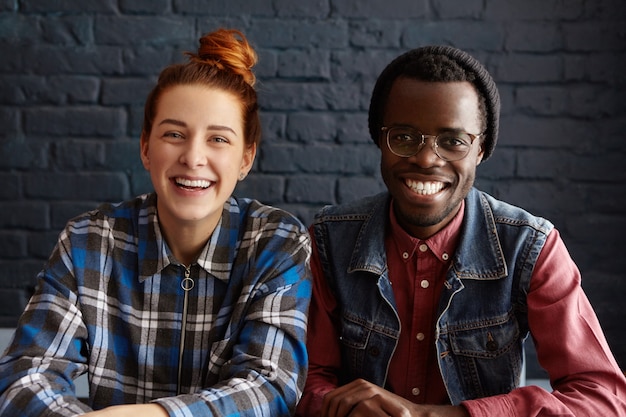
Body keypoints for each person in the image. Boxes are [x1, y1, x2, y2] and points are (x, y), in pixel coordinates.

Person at [296, 45, 626, 417]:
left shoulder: (530, 248)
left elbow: (602, 398)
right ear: (380, 139)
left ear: (481, 148)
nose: (425, 158)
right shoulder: (328, 241)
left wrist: (439, 415)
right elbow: (303, 379)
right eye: (404, 137)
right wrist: (340, 407)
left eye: (453, 141)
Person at [0, 28, 312, 417]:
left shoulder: (276, 243)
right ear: (146, 148)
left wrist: (156, 415)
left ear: (245, 159)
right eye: (175, 134)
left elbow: (271, 384)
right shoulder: (89, 241)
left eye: (218, 139)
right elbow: (25, 377)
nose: (193, 157)